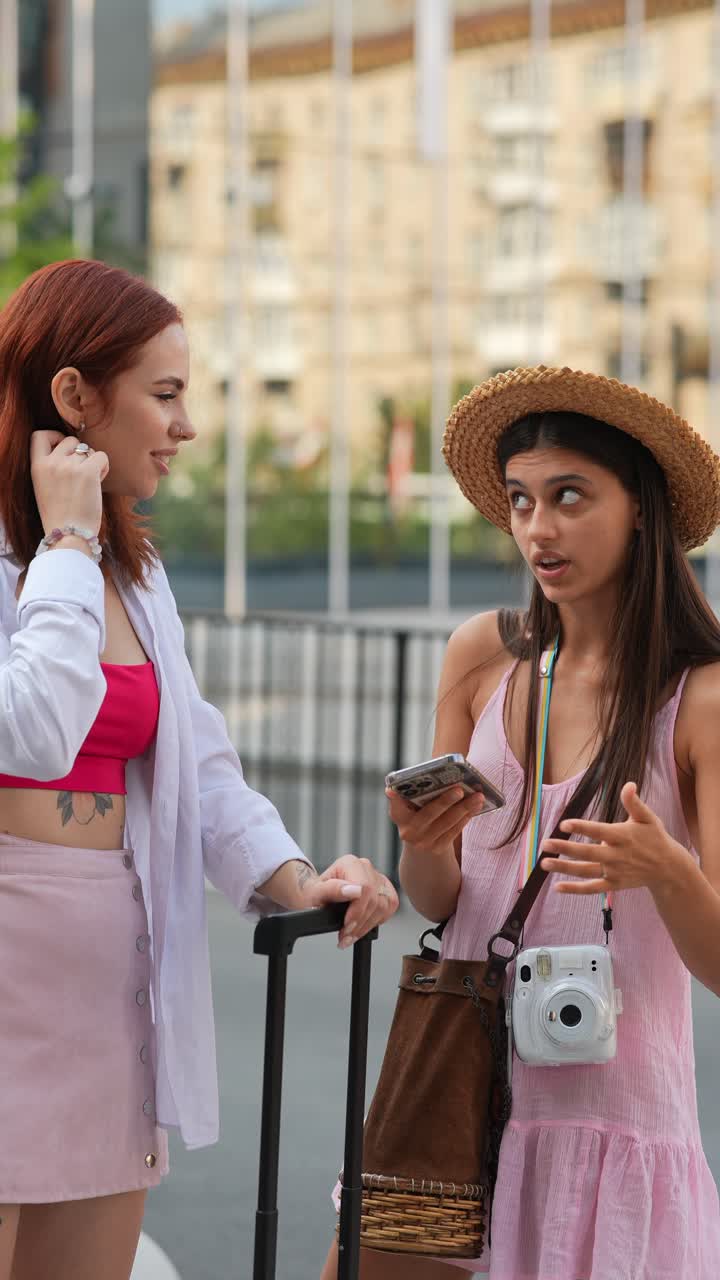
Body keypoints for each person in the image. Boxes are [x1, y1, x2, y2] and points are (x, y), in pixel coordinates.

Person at [0, 258, 399, 1280]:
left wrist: (294, 876)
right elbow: (32, 726)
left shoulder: (138, 570)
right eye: (165, 394)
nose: (186, 426)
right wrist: (65, 540)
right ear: (76, 397)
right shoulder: (57, 555)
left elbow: (198, 761)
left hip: (107, 983)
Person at [321, 365, 720, 1280]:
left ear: (643, 510)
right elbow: (447, 899)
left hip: (612, 1125)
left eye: (571, 496)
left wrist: (668, 871)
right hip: (456, 1097)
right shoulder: (481, 657)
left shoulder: (698, 699)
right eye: (522, 500)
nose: (540, 528)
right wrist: (421, 845)